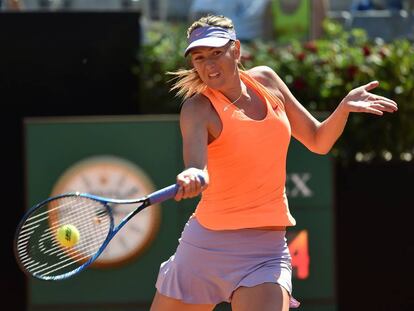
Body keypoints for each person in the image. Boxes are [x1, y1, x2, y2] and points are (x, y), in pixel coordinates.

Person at [150, 14, 397, 311]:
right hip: (204, 247)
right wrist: (193, 175)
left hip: (264, 252)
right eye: (200, 57)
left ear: (236, 50)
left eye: (217, 53)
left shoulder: (266, 81)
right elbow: (197, 166)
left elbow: (318, 140)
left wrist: (342, 108)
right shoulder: (197, 108)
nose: (209, 64)